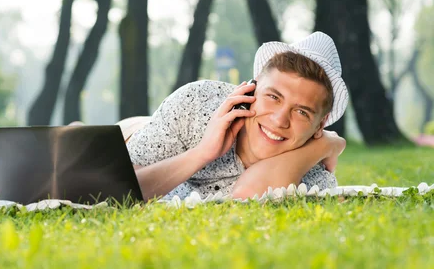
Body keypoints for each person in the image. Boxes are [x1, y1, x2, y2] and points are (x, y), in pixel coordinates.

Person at [122, 31, 349, 201]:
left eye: (301, 112)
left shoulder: (314, 179)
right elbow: (116, 189)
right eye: (273, 97)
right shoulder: (197, 102)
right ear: (252, 89)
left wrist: (326, 146)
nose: (279, 120)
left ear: (320, 126)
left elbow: (247, 196)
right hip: (129, 134)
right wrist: (202, 153)